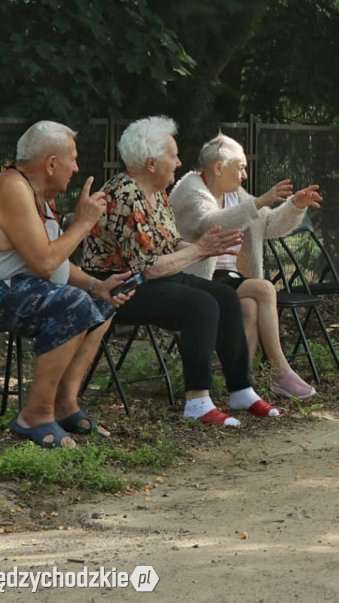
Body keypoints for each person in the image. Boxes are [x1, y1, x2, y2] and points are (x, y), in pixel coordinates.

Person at [0, 121, 136, 448]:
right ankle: (36, 414)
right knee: (72, 304)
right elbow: (45, 264)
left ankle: (64, 404)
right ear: (51, 163)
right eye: (72, 159)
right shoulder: (11, 187)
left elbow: (54, 261)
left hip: (8, 290)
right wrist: (84, 223)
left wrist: (96, 285)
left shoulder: (38, 196)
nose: (76, 168)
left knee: (100, 305)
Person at [81, 116, 279, 426]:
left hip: (150, 279)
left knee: (224, 296)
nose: (178, 162)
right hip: (118, 288)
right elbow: (147, 269)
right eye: (172, 155)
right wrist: (200, 250)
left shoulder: (156, 192)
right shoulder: (125, 196)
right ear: (151, 163)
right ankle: (197, 401)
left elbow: (170, 245)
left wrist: (206, 246)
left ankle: (241, 389)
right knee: (201, 305)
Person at [169, 134, 323, 399]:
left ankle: (243, 387)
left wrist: (294, 207)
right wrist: (260, 201)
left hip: (228, 279)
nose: (244, 175)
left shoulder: (235, 194)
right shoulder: (190, 190)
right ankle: (280, 371)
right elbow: (212, 224)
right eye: (240, 167)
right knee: (263, 289)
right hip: (195, 279)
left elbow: (268, 225)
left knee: (250, 307)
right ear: (218, 167)